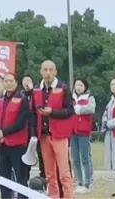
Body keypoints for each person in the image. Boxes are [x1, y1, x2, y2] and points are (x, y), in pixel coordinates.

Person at [33, 60, 75, 199]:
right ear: (41, 71)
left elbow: (70, 111)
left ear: (55, 72)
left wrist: (52, 112)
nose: (48, 73)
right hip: (44, 135)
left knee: (64, 173)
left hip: (59, 135)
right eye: (45, 70)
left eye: (51, 70)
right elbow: (33, 112)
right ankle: (53, 196)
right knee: (49, 173)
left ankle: (69, 196)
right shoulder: (37, 89)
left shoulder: (63, 88)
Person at [0, 73, 31, 199]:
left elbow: (21, 123)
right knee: (4, 177)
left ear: (16, 83)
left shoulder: (22, 99)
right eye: (6, 81)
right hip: (2, 144)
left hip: (17, 144)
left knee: (21, 177)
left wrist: (4, 132)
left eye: (10, 81)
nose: (8, 83)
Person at [71, 79, 96, 193]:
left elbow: (91, 108)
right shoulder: (71, 97)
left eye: (81, 85)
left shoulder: (89, 97)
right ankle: (79, 182)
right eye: (77, 85)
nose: (78, 87)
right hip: (72, 131)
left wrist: (79, 109)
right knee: (75, 158)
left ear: (85, 86)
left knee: (85, 157)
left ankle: (88, 182)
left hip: (84, 131)